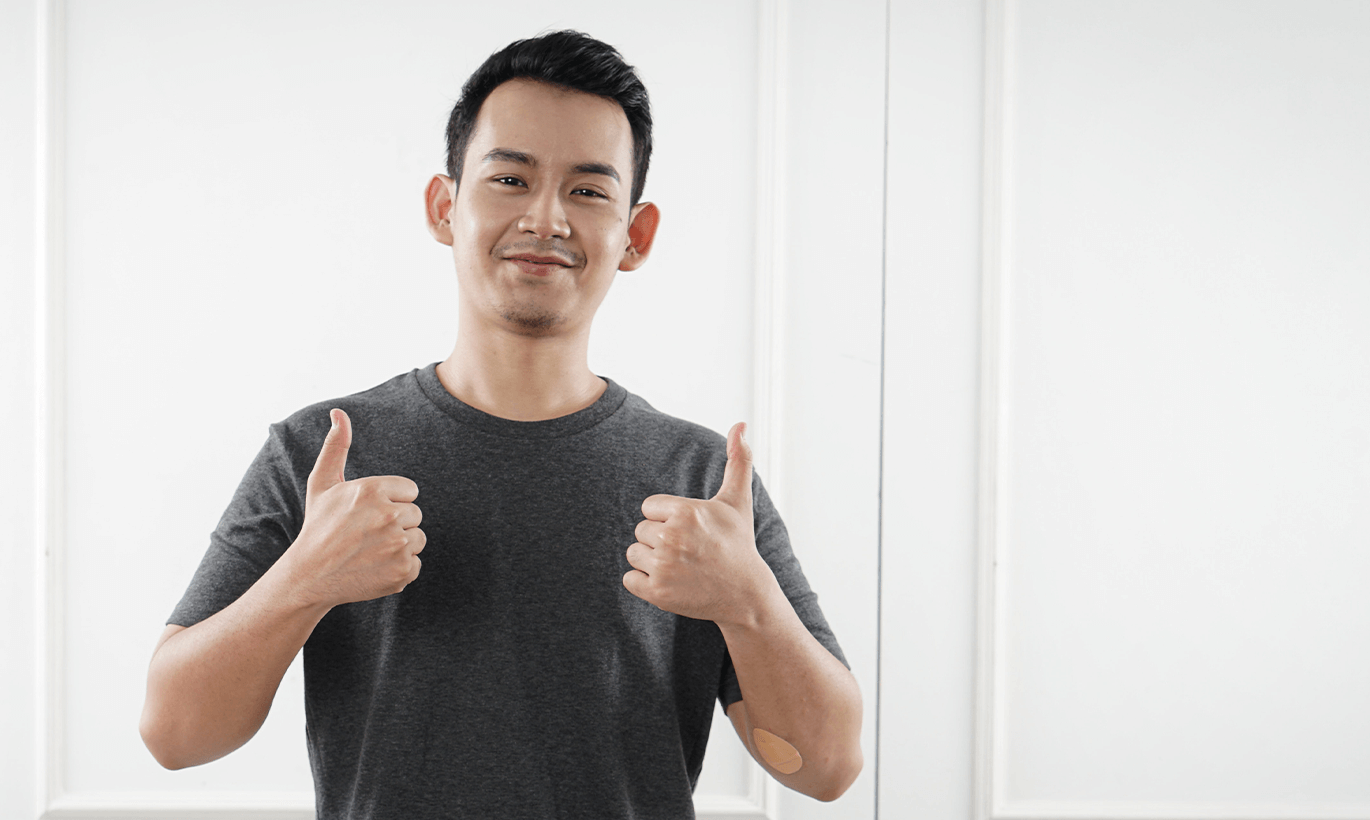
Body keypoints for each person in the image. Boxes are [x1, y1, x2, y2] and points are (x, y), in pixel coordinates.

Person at [139, 30, 863, 818]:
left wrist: (748, 599)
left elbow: (824, 768)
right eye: (510, 178)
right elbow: (177, 734)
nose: (545, 217)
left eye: (588, 191)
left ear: (636, 235)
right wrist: (303, 579)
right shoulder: (320, 456)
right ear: (445, 207)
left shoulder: (701, 480)